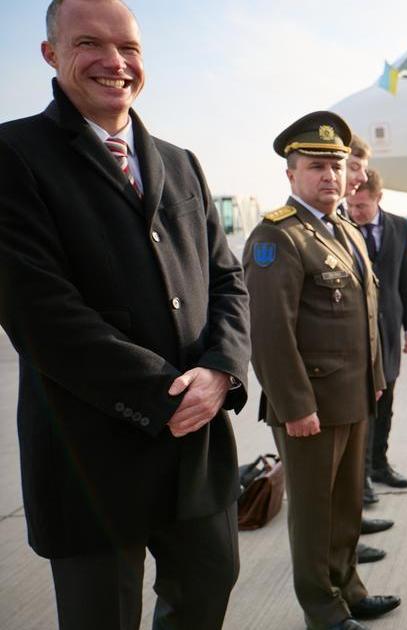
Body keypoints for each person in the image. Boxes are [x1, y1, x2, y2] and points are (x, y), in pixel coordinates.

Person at [0, 1, 251, 628]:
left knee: (207, 594)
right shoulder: (14, 154)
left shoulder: (180, 161)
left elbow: (227, 280)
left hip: (195, 450)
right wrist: (166, 394)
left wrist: (221, 369)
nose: (115, 62)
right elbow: (40, 312)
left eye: (129, 48)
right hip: (90, 457)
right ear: (51, 54)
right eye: (90, 43)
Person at [243, 111, 398, 630]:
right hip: (309, 407)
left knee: (345, 508)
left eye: (335, 165)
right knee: (314, 515)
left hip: (353, 397)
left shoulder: (345, 230)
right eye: (316, 166)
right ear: (291, 174)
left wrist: (376, 380)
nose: (330, 175)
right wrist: (295, 406)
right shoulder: (278, 236)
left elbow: (365, 316)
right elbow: (269, 332)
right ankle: (322, 609)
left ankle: (348, 588)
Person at [346, 168, 407, 493]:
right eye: (351, 205)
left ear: (378, 198)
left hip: (388, 329)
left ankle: (379, 465)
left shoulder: (400, 227)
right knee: (360, 406)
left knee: (386, 401)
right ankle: (359, 476)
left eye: (362, 206)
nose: (355, 212)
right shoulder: (340, 227)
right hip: (354, 332)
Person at [343, 134, 392, 564]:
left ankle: (350, 529)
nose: (357, 178)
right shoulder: (288, 234)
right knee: (324, 483)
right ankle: (329, 583)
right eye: (352, 167)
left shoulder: (341, 231)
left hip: (359, 368)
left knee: (345, 470)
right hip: (326, 382)